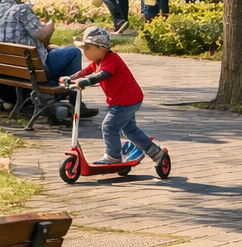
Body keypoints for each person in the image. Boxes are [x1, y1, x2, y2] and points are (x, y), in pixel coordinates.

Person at [0, 0, 95, 120]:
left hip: (9, 68)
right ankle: (75, 103)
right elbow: (42, 34)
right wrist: (50, 25)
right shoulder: (21, 10)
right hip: (32, 69)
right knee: (74, 52)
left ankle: (55, 98)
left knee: (57, 51)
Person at [62, 26, 165, 167]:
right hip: (124, 100)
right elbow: (86, 71)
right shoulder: (98, 61)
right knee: (130, 130)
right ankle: (156, 153)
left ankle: (113, 156)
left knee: (109, 126)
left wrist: (85, 82)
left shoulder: (111, 59)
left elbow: (104, 74)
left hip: (126, 101)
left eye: (87, 48)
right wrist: (72, 77)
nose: (85, 52)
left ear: (100, 48)